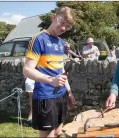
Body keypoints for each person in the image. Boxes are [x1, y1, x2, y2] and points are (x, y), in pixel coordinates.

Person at [23, 6, 76, 137]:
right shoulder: (38, 39)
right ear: (54, 18)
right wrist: (51, 80)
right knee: (48, 135)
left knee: (58, 132)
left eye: (67, 26)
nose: (63, 28)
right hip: (45, 96)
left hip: (61, 95)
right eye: (62, 22)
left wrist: (69, 92)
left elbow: (61, 69)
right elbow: (27, 70)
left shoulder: (61, 43)